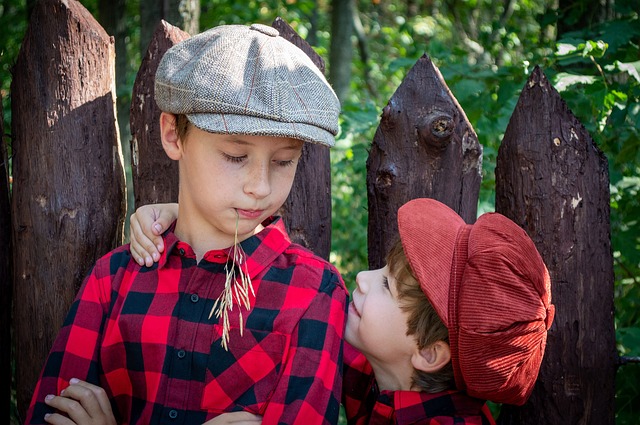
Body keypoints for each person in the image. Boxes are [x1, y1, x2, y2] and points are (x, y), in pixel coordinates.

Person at [25, 22, 347, 425]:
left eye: (284, 161)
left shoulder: (314, 293)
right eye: (234, 155)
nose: (260, 187)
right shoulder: (114, 280)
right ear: (173, 135)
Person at [128, 198, 555, 424]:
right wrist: (191, 217)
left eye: (386, 285)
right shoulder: (385, 374)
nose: (364, 278)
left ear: (428, 353)